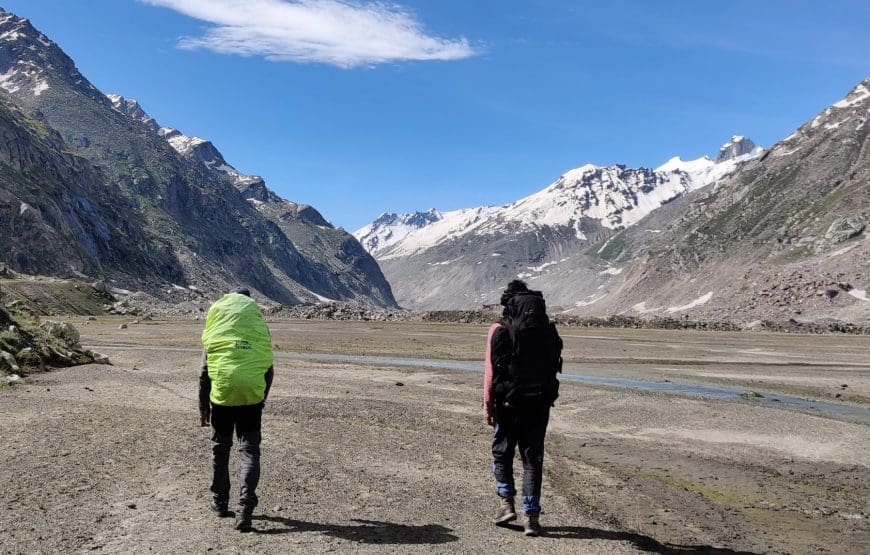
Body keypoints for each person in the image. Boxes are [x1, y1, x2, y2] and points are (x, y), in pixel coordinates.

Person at [484, 280, 562, 537]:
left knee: (502, 453)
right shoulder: (546, 330)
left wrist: (489, 406)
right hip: (539, 403)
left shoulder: (500, 329)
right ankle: (532, 518)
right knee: (532, 459)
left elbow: (491, 372)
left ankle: (506, 504)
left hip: (509, 403)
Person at [199, 287, 274, 532]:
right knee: (249, 451)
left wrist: (204, 407)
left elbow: (204, 373)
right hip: (251, 395)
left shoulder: (217, 330)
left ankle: (220, 502)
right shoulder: (257, 328)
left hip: (222, 396)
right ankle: (245, 508)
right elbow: (268, 368)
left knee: (221, 450)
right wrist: (260, 398)